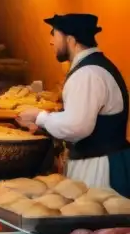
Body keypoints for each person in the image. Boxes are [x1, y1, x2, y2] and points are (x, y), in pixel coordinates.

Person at [16, 14, 130, 194]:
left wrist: (40, 117)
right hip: (96, 160)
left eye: (54, 34)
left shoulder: (88, 73)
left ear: (70, 39)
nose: (51, 41)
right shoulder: (92, 68)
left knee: (95, 217)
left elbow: (77, 126)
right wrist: (43, 126)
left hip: (99, 167)